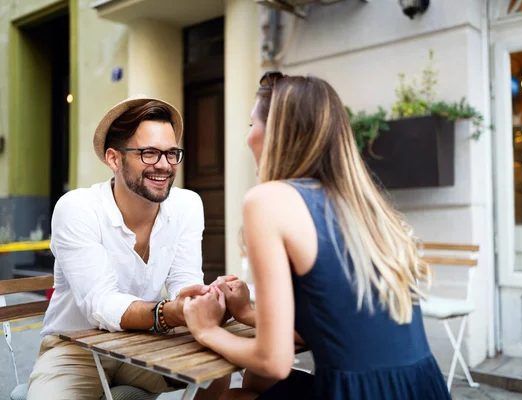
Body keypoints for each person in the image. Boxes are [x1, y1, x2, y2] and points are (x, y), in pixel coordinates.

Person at [182, 73, 451, 399]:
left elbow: (274, 361)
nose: (248, 137)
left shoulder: (267, 200)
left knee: (228, 394)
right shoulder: (361, 205)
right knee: (256, 383)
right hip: (421, 386)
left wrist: (206, 329)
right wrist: (246, 314)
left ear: (277, 133)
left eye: (251, 125)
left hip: (360, 392)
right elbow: (338, 324)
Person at [28, 95, 229, 400]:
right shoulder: (78, 208)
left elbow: (184, 280)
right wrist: (167, 312)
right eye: (149, 153)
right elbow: (101, 303)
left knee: (220, 368)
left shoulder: (188, 204)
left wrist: (198, 301)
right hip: (76, 346)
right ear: (114, 159)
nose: (164, 165)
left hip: (144, 340)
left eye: (171, 153)